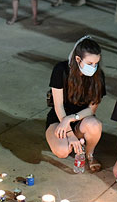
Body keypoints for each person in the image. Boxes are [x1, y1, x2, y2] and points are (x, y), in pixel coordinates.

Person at [45, 36, 105, 172]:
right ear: (78, 59)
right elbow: (58, 106)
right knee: (62, 152)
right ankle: (76, 143)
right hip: (59, 118)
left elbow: (92, 110)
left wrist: (71, 119)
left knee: (95, 125)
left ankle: (89, 153)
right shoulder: (61, 70)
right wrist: (70, 133)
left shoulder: (98, 76)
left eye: (96, 63)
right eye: (90, 63)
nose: (94, 67)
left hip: (82, 119)